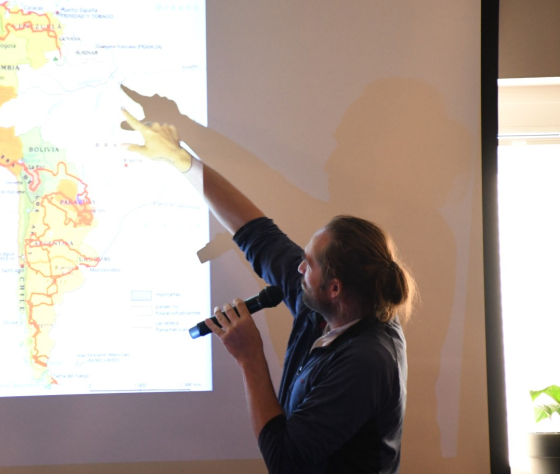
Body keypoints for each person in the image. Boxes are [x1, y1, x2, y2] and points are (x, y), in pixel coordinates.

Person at [121, 108, 416, 474]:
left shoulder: (365, 361)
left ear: (334, 288)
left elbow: (285, 461)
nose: (298, 268)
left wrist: (250, 358)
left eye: (308, 263)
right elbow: (257, 234)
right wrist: (182, 160)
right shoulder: (326, 308)